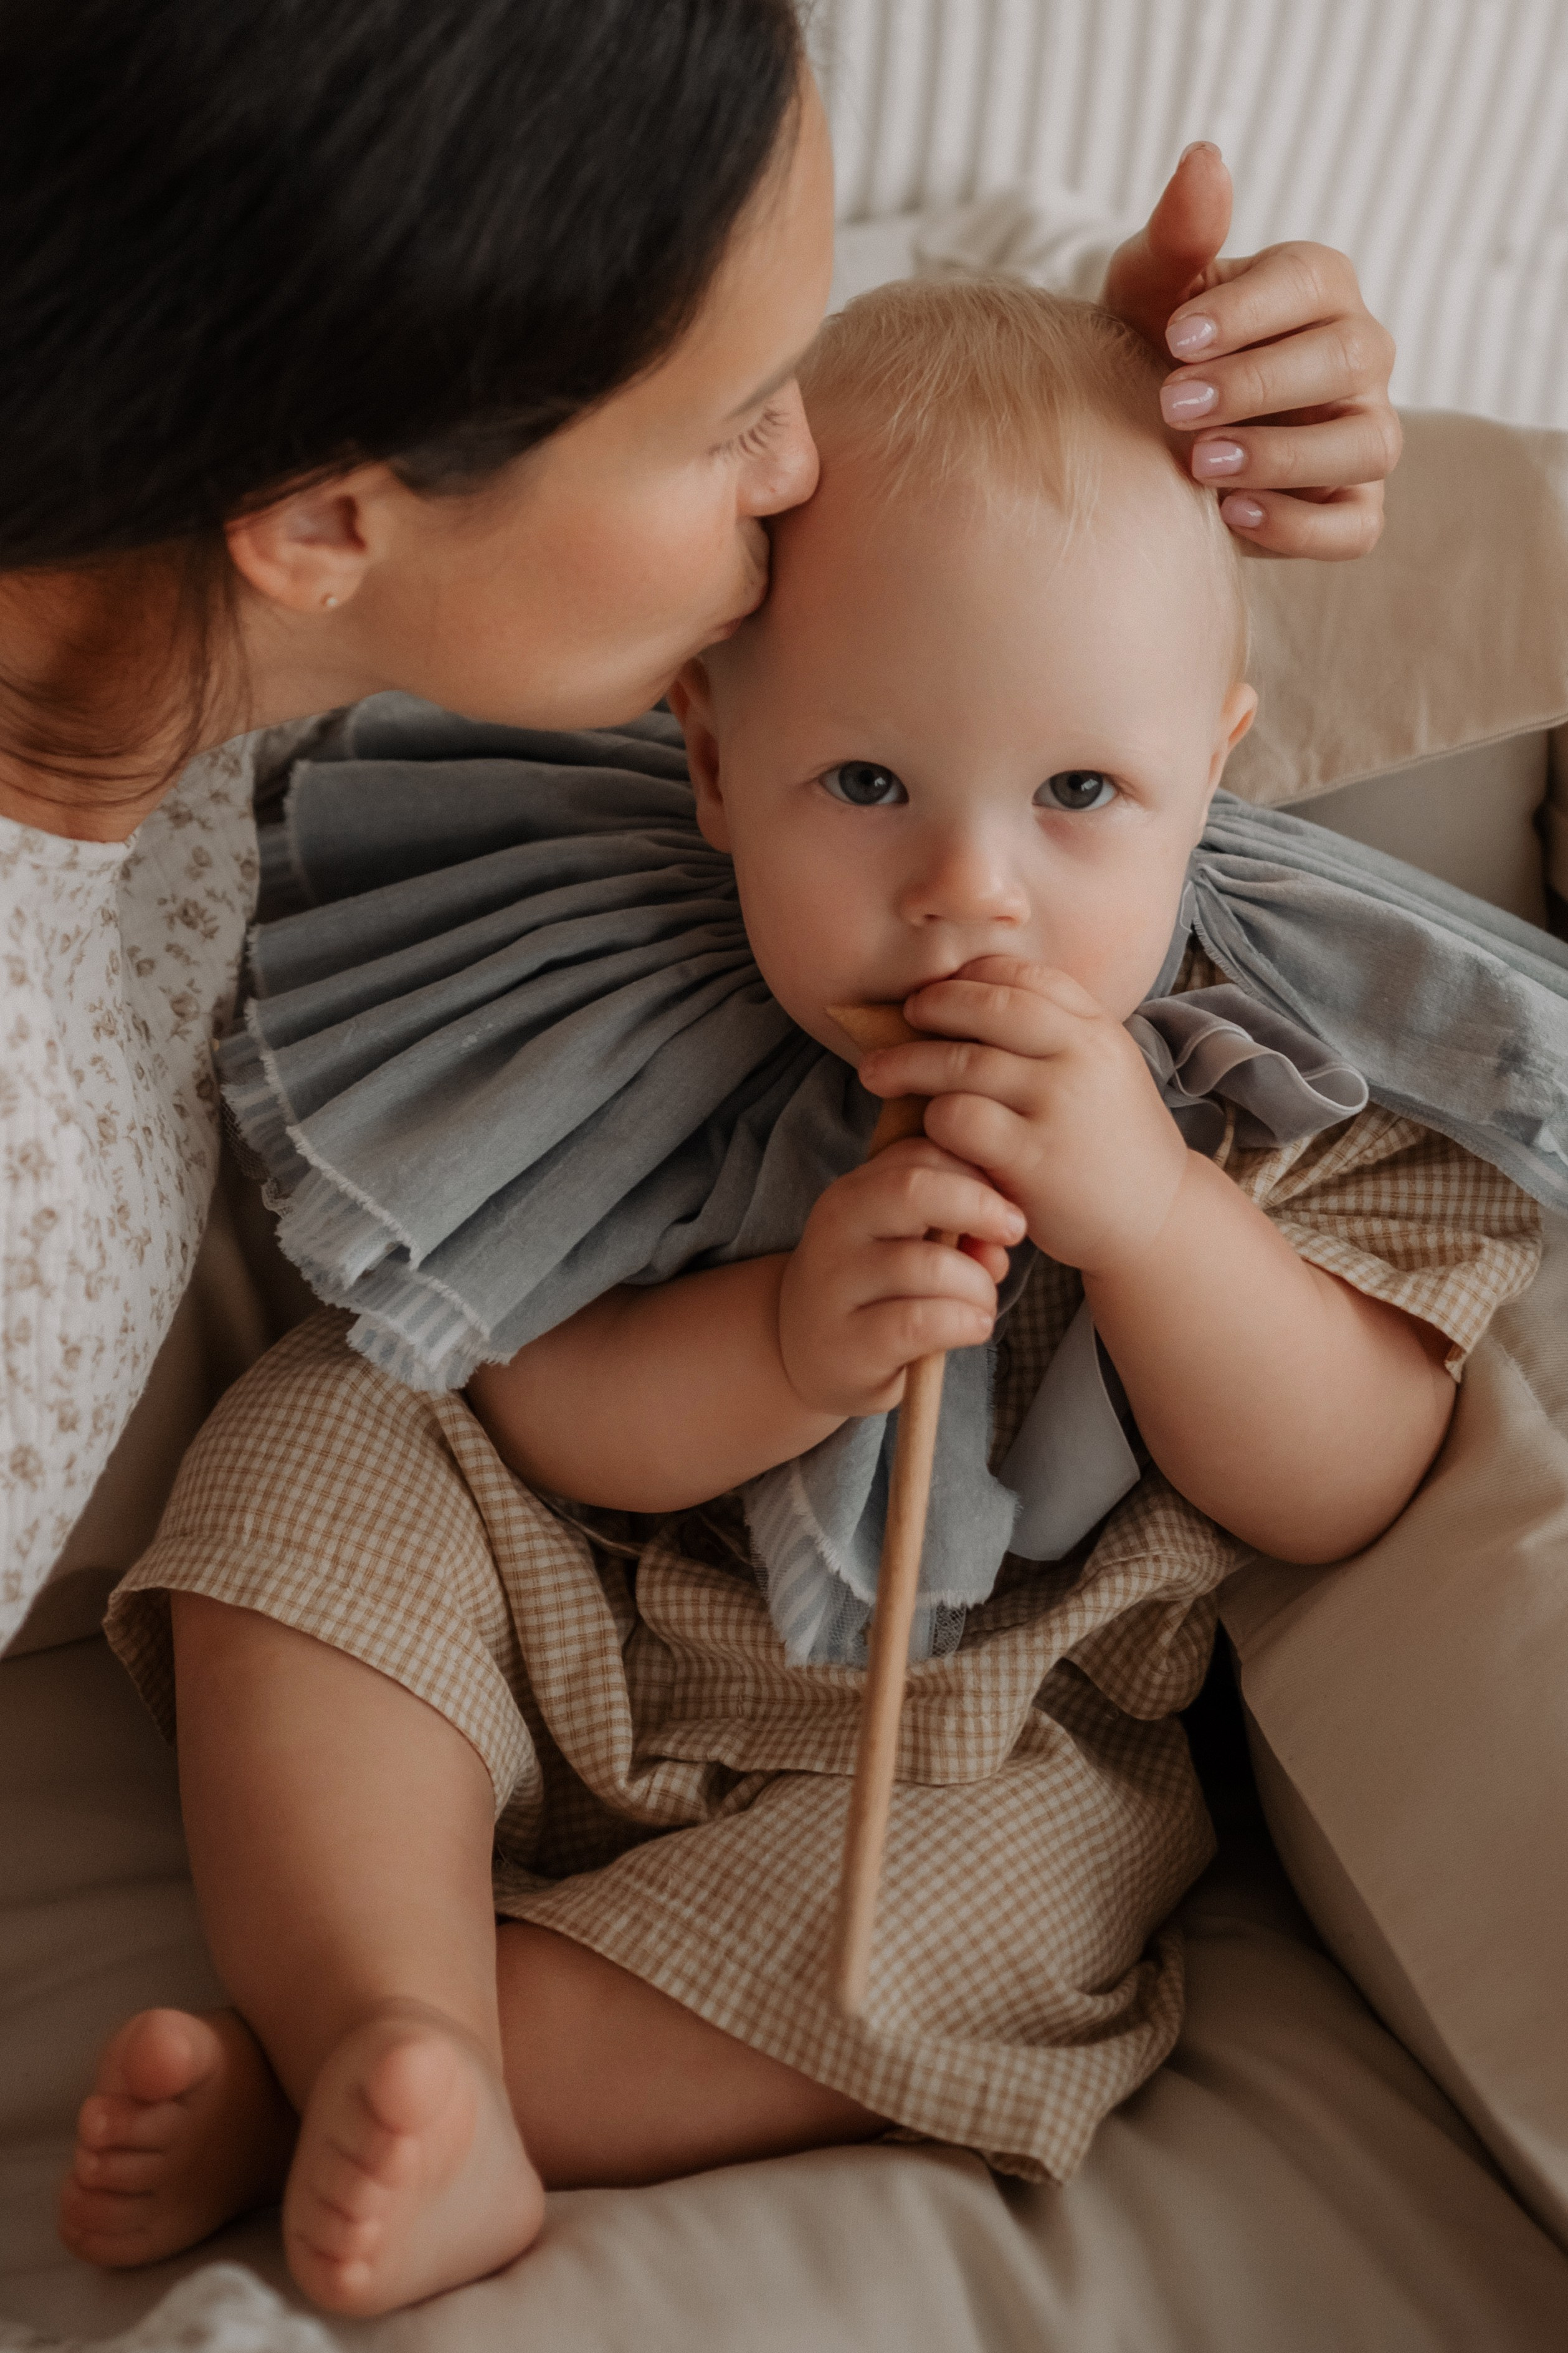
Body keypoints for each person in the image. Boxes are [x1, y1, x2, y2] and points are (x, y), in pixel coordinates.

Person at [66, 280, 1541, 2320]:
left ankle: (411, 2091)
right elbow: (537, 1405)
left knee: (1009, 1914)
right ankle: (380, 2010)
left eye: (1081, 799)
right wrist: (778, 1347)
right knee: (317, 1455)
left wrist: (1160, 1225)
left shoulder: (1285, 1060)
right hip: (569, 1572)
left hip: (972, 1724)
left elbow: (1353, 1476)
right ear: (708, 753)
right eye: (863, 787)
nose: (970, 893)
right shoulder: (625, 990)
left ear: (1217, 766)